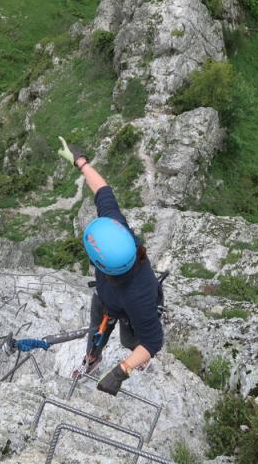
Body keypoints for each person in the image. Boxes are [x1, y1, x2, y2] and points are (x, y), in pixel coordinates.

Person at [57, 137, 164, 397]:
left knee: (132, 341)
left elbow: (153, 341)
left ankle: (137, 360)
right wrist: (80, 162)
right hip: (107, 298)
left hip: (130, 310)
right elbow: (102, 190)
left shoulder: (138, 297)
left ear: (100, 263)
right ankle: (92, 359)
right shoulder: (117, 231)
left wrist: (122, 370)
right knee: (96, 333)